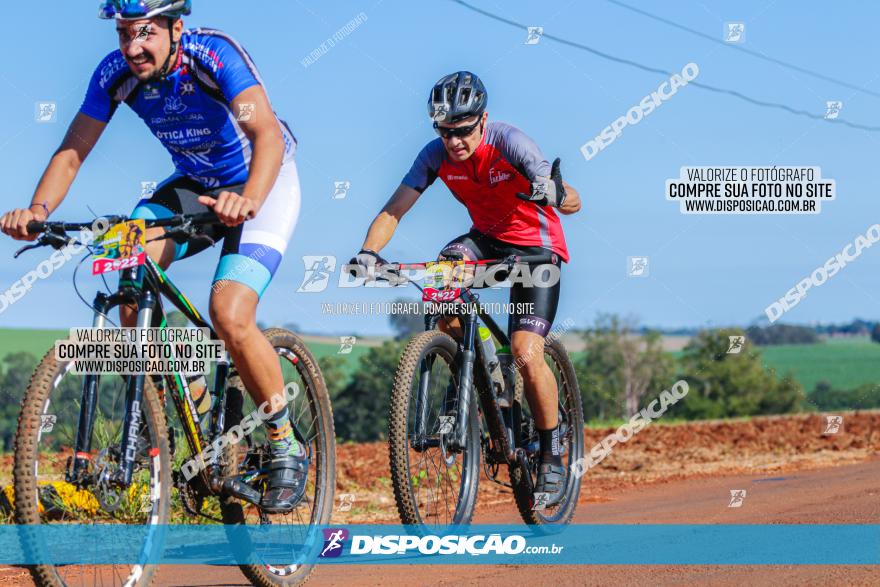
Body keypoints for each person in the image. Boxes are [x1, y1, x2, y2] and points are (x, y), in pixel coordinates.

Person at [0, 0, 306, 513]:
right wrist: (36, 209)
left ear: (175, 28)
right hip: (196, 185)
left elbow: (267, 134)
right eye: (123, 34)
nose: (132, 47)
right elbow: (73, 150)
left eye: (144, 33)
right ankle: (192, 407)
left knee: (229, 312)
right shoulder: (114, 74)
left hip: (264, 183)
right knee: (129, 274)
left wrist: (248, 197)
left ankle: (283, 441)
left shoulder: (214, 54)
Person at [351, 71, 581, 505]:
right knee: (445, 274)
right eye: (444, 131)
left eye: (462, 131)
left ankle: (552, 451)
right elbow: (393, 210)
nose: (454, 142)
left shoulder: (511, 142)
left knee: (527, 351)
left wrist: (552, 191)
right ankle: (488, 385)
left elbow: (573, 200)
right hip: (487, 241)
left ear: (483, 120)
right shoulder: (434, 155)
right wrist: (367, 252)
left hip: (536, 249)